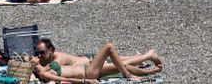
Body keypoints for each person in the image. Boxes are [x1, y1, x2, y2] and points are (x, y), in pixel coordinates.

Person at [32, 39, 162, 83]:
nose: (38, 56)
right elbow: (61, 80)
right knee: (109, 46)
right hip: (88, 72)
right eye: (37, 54)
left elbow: (24, 58)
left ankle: (150, 72)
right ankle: (129, 73)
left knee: (119, 66)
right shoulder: (44, 73)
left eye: (41, 53)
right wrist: (85, 81)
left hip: (88, 67)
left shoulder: (48, 64)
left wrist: (29, 59)